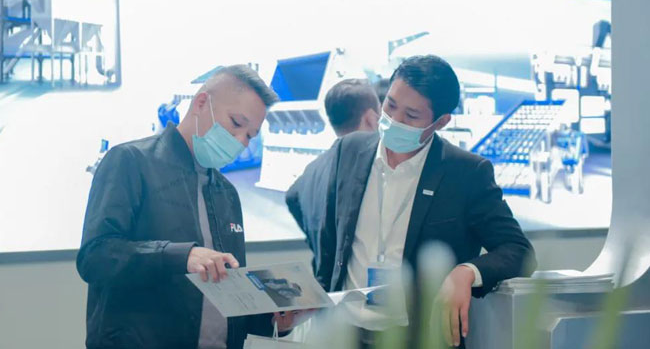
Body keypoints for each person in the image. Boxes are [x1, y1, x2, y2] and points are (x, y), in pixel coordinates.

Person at [315, 55, 536, 348]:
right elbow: (330, 241)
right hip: (344, 333)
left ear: (440, 122)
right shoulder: (348, 151)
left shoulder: (466, 173)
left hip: (420, 337)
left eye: (411, 115)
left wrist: (466, 272)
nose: (394, 120)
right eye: (390, 105)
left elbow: (518, 250)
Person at [77, 65, 300, 349]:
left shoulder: (226, 193)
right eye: (236, 123)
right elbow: (95, 257)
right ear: (201, 103)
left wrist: (273, 320)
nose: (241, 142)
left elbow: (227, 295)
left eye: (250, 135)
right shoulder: (131, 161)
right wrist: (181, 256)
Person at [286, 79, 380, 272]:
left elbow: (291, 197)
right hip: (363, 284)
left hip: (324, 282)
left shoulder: (310, 172)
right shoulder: (371, 164)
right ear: (371, 118)